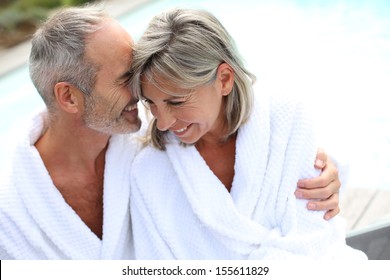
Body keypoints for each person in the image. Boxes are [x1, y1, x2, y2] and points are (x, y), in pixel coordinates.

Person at [0, 5, 339, 260]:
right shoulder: (12, 205)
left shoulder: (149, 131)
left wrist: (324, 166)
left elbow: (252, 127)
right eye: (125, 79)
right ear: (69, 97)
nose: (142, 95)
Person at [128, 8, 366, 259]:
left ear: (224, 79)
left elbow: (315, 238)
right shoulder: (149, 170)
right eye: (151, 103)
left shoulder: (286, 119)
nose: (163, 123)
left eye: (176, 102)